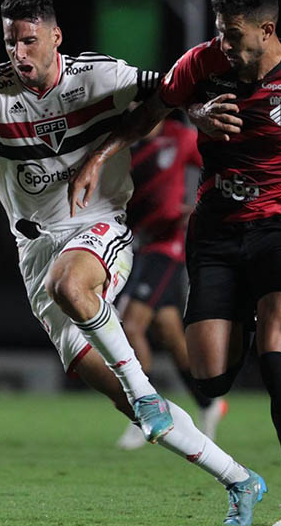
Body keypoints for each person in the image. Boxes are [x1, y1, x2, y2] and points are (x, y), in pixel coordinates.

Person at [0, 0, 264, 524]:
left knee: (72, 287)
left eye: (29, 41)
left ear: (55, 37)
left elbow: (168, 91)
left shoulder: (98, 77)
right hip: (36, 251)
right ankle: (240, 480)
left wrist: (198, 111)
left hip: (100, 228)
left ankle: (143, 387)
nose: (19, 53)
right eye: (11, 43)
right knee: (135, 409)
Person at [69, 0, 281, 524]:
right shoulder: (201, 65)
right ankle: (245, 318)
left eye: (233, 33)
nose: (222, 42)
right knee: (209, 378)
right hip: (217, 231)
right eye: (218, 31)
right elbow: (152, 110)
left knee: (276, 356)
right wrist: (102, 154)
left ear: (266, 30)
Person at [115, 116, 228, 450]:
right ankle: (209, 404)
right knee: (168, 332)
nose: (138, 109)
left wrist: (202, 206)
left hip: (167, 246)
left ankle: (145, 412)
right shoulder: (124, 142)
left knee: (130, 324)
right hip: (137, 244)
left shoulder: (180, 136)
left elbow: (220, 163)